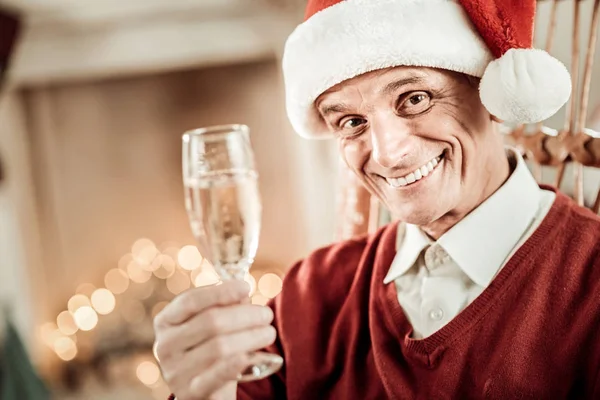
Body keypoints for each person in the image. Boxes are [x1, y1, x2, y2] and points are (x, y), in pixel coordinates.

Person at [154, 0, 600, 399]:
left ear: (489, 91)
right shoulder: (310, 295)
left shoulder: (589, 284)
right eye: (351, 122)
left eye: (415, 99)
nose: (388, 153)